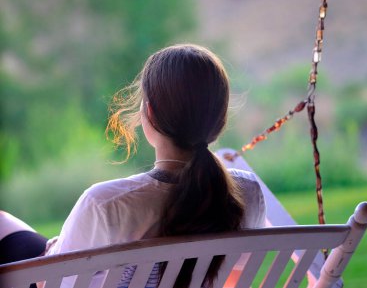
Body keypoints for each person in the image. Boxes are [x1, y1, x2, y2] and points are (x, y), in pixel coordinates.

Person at [0, 44, 266, 288]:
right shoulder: (248, 192)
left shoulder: (106, 203)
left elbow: (54, 284)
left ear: (149, 112)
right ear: (219, 119)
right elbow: (232, 275)